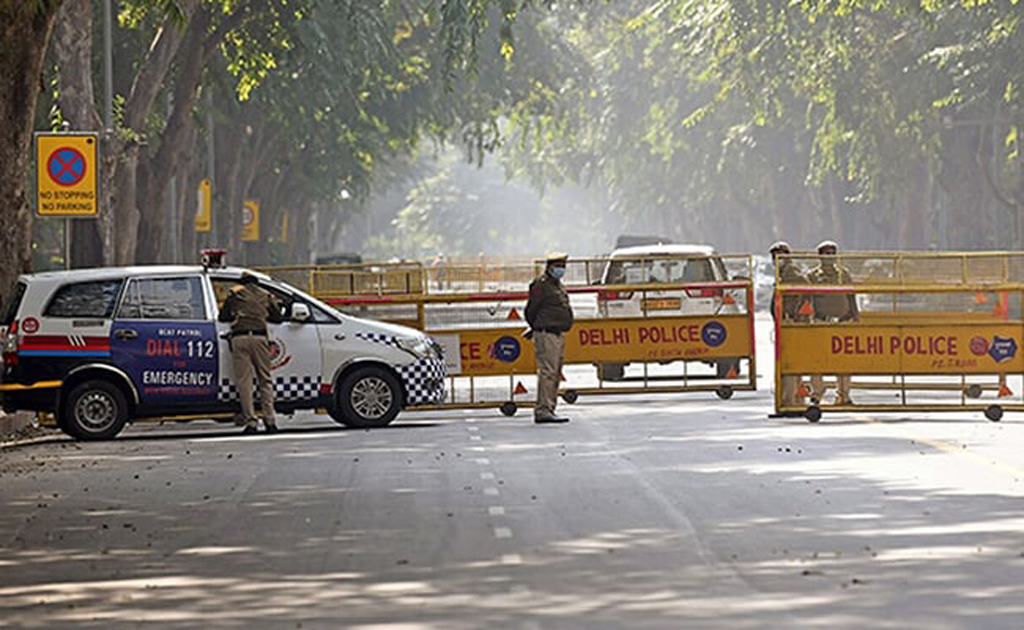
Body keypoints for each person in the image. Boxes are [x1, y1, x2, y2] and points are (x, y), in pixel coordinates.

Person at [218, 272, 285, 433]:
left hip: (240, 339)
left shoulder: (235, 293)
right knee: (265, 380)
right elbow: (278, 318)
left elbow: (223, 316)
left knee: (244, 382)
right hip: (260, 338)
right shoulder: (265, 294)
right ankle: (270, 421)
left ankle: (251, 422)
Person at [525, 252, 574, 424]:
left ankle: (550, 408)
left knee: (555, 372)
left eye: (563, 266)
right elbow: (531, 310)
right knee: (548, 372)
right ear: (550, 267)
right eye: (558, 266)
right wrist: (538, 326)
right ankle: (543, 410)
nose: (561, 269)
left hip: (558, 333)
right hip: (546, 333)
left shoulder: (557, 285)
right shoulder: (542, 285)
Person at [808, 240, 858, 405]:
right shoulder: (813, 276)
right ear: (820, 256)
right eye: (826, 253)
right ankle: (817, 393)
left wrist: (854, 315)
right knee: (816, 359)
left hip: (842, 322)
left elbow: (851, 296)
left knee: (843, 360)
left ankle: (843, 395)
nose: (829, 257)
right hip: (820, 322)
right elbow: (808, 300)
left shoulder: (844, 274)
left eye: (832, 253)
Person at [769, 241, 807, 407]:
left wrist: (795, 312)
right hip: (784, 321)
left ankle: (790, 399)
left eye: (780, 254)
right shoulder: (781, 271)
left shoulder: (790, 270)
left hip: (790, 321)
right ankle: (793, 398)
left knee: (789, 362)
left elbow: (803, 285)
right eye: (774, 255)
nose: (777, 258)